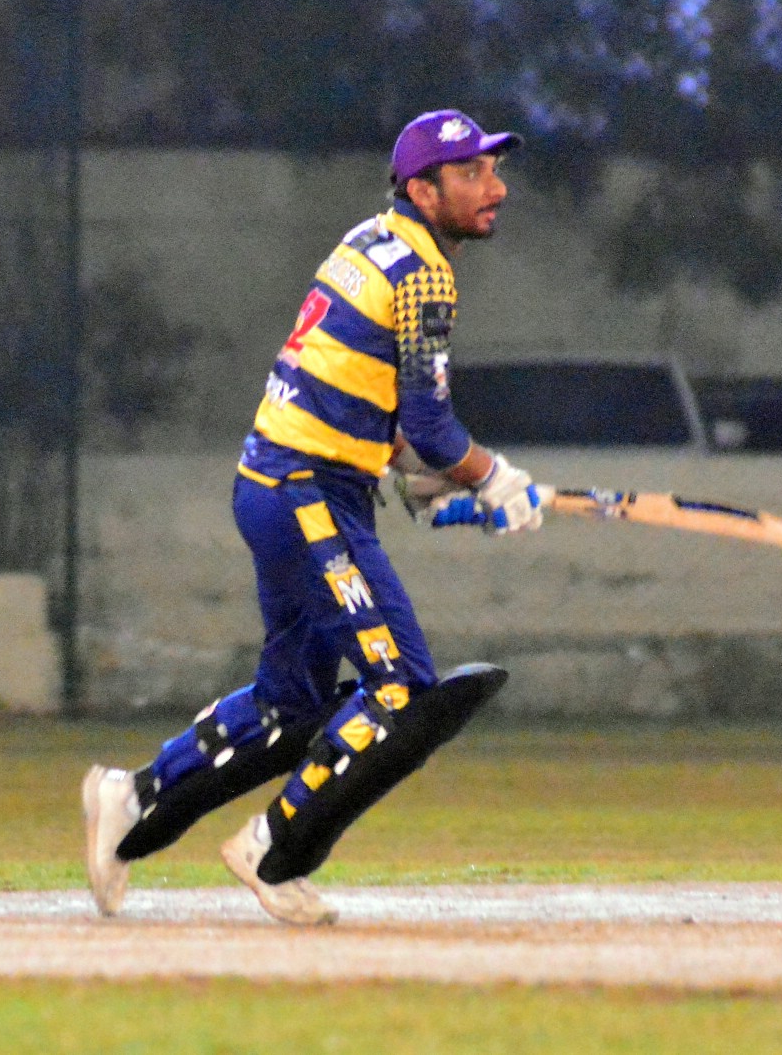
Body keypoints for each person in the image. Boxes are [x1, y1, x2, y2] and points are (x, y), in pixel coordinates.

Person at [82, 108, 544, 925]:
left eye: (492, 169)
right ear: (422, 189)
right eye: (471, 173)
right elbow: (432, 424)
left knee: (291, 701)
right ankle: (273, 849)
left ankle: (133, 797)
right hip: (308, 493)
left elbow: (353, 387)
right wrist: (490, 477)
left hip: (275, 484)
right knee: (401, 688)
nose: (494, 187)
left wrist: (406, 468)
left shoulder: (369, 240)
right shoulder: (423, 272)